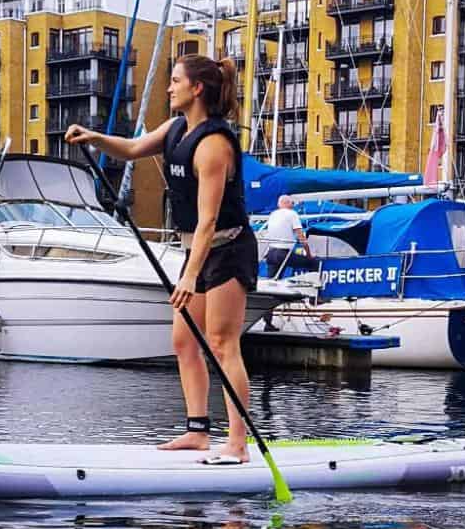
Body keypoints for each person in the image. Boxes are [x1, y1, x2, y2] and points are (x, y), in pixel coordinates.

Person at [65, 54, 258, 463]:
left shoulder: (213, 145)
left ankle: (238, 443)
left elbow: (208, 222)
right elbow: (133, 149)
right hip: (197, 250)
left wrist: (188, 277)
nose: (169, 88)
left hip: (227, 248)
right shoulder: (175, 129)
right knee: (184, 340)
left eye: (175, 81)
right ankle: (198, 432)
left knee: (223, 345)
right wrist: (93, 138)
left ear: (197, 88)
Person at [261, 194, 310, 278]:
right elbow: (301, 237)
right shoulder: (292, 214)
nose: (293, 205)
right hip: (283, 253)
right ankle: (314, 285)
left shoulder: (273, 214)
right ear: (288, 203)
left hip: (271, 253)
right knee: (313, 263)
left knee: (272, 279)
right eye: (292, 203)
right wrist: (309, 254)